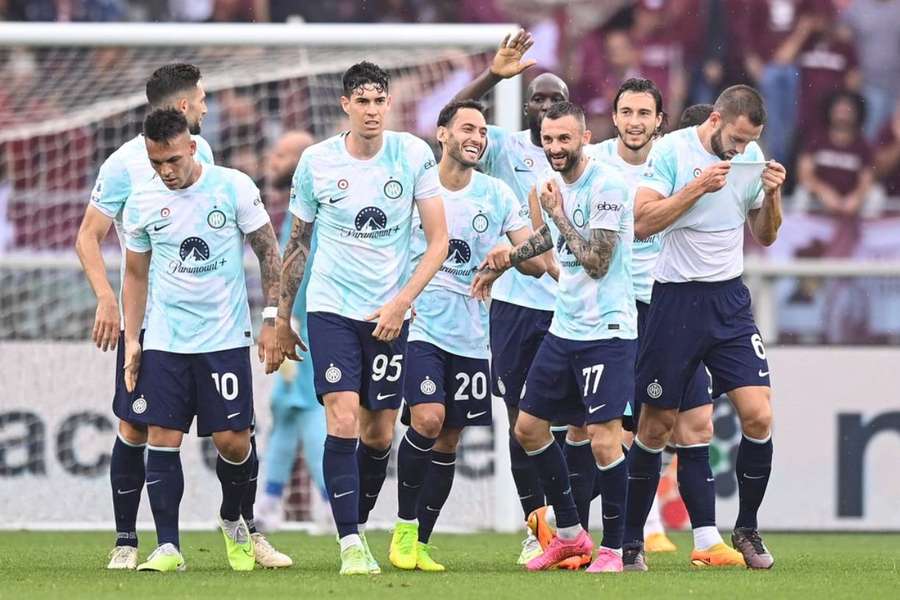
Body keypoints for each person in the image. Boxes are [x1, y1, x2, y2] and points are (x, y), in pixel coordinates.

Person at [275, 61, 448, 575]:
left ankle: (359, 514)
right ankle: (350, 540)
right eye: (362, 101)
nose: (372, 111)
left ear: (388, 103)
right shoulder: (316, 161)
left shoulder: (413, 154)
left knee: (377, 434)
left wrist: (401, 301)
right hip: (331, 308)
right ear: (345, 105)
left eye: (379, 101)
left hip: (389, 314)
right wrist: (281, 316)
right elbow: (297, 244)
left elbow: (438, 241)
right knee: (343, 417)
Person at [625, 84, 785, 571]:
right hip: (674, 302)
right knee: (654, 428)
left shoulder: (751, 156)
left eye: (748, 143)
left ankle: (748, 528)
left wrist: (772, 195)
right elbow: (642, 223)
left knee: (758, 415)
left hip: (729, 301)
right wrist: (697, 187)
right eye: (735, 140)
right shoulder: (671, 150)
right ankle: (631, 542)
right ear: (715, 120)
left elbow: (765, 234)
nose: (740, 151)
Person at [120, 108, 284, 572]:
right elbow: (135, 275)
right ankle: (168, 546)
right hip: (167, 339)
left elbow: (268, 252)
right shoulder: (143, 201)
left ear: (192, 146)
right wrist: (134, 340)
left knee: (234, 442)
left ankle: (235, 519)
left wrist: (271, 318)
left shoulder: (232, 186)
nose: (167, 171)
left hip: (224, 336)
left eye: (173, 160)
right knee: (161, 437)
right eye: (157, 164)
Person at [389, 99, 545, 572]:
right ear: (442, 134)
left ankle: (419, 543)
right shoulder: (417, 185)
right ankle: (402, 529)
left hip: (473, 334)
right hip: (421, 327)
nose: (477, 138)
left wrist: (506, 257)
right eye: (467, 129)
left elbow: (537, 263)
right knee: (430, 419)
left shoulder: (496, 195)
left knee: (449, 439)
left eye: (482, 131)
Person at [484, 100, 635, 573]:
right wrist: (508, 257)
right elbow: (548, 239)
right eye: (548, 139)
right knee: (528, 428)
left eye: (564, 139)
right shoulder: (551, 187)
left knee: (604, 440)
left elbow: (596, 261)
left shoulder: (607, 186)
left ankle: (615, 547)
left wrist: (557, 212)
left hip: (606, 331)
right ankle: (569, 535)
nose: (555, 148)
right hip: (564, 328)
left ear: (585, 137)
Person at [75, 63, 215, 570]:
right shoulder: (123, 165)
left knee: (220, 432)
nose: (205, 104)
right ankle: (126, 539)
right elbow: (87, 235)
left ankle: (233, 528)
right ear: (181, 105)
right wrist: (107, 299)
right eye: (200, 97)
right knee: (135, 426)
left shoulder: (203, 152)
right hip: (149, 320)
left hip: (199, 324)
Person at [452, 29, 569, 565]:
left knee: (578, 423)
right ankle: (535, 525)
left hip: (572, 303)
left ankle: (574, 526)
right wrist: (494, 74)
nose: (544, 106)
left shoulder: (582, 157)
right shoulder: (502, 146)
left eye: (555, 99)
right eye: (537, 97)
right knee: (521, 418)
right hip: (518, 307)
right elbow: (452, 117)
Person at [254, 130, 328, 537]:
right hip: (295, 324)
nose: (273, 160)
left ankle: (333, 503)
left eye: (282, 154)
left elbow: (304, 272)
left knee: (306, 409)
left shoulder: (308, 214)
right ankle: (267, 504)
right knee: (285, 413)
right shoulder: (296, 210)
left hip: (302, 329)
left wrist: (288, 323)